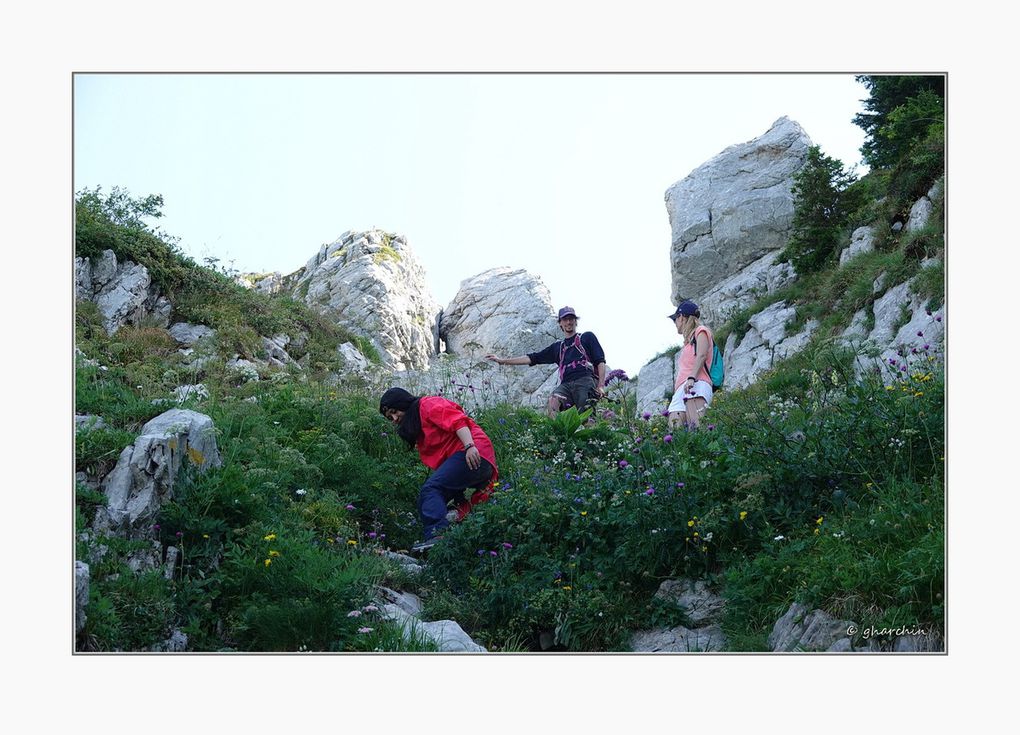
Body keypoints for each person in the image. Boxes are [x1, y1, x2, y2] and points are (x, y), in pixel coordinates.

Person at [379, 387, 498, 553]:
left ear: (403, 403)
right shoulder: (418, 424)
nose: (394, 418)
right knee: (433, 501)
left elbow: (458, 421)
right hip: (473, 457)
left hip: (472, 452)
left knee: (431, 489)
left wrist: (470, 446)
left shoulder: (427, 405)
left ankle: (438, 537)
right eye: (389, 417)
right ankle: (456, 545)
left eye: (394, 411)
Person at [485, 306, 607, 418]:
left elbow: (600, 361)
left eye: (571, 319)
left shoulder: (587, 337)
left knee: (587, 417)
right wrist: (502, 361)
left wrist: (600, 386)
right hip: (566, 384)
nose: (568, 322)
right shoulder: (557, 347)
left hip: (584, 381)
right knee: (553, 401)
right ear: (560, 323)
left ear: (576, 321)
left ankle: (593, 440)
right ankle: (557, 437)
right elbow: (533, 358)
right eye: (565, 319)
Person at [666, 300, 715, 430]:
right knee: (675, 430)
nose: (675, 324)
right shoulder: (688, 342)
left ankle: (706, 450)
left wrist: (692, 378)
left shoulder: (701, 331)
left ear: (681, 317)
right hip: (682, 387)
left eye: (675, 320)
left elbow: (702, 355)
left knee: (697, 429)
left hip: (696, 383)